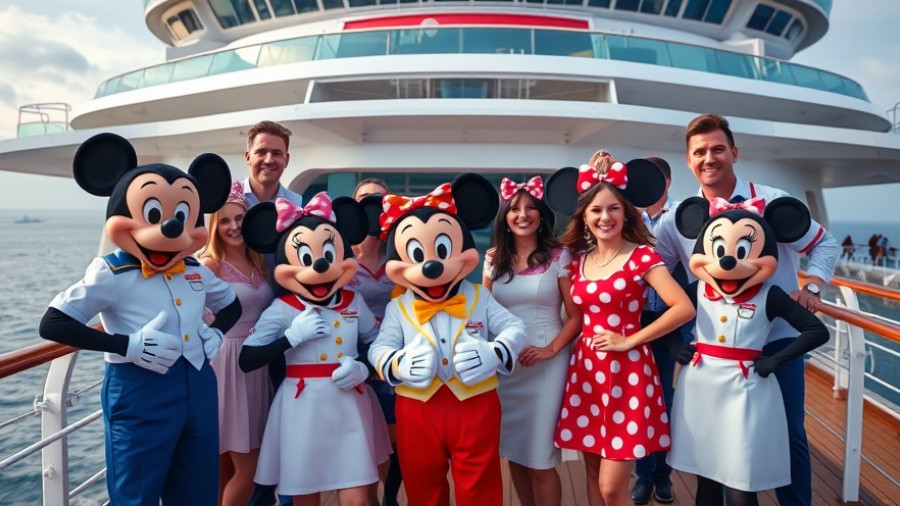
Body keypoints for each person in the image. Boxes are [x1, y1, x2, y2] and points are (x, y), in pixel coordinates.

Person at [39, 133, 240, 505]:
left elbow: (231, 306)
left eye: (181, 216)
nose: (170, 228)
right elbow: (53, 323)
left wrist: (216, 332)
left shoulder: (194, 269)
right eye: (154, 214)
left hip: (198, 383)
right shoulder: (111, 272)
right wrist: (125, 345)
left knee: (198, 490)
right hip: (139, 388)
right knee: (137, 494)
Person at [653, 113, 839, 506]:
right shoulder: (676, 221)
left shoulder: (773, 203)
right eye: (699, 152)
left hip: (777, 342)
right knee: (713, 440)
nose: (709, 158)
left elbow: (825, 244)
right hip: (714, 352)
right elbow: (653, 270)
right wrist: (673, 340)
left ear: (734, 153)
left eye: (718, 149)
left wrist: (814, 286)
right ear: (688, 160)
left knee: (789, 433)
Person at [544, 154, 695, 506]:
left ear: (626, 212)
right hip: (586, 372)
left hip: (627, 373)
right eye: (595, 210)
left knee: (612, 487)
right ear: (583, 216)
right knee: (593, 473)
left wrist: (631, 339)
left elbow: (683, 308)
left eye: (613, 208)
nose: (605, 217)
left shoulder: (642, 255)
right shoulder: (578, 259)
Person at [667, 196, 829, 506]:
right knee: (706, 477)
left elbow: (816, 331)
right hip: (700, 385)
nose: (728, 261)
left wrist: (776, 360)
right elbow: (666, 318)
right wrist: (676, 345)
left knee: (742, 480)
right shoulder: (697, 290)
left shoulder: (771, 294)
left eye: (741, 251)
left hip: (745, 390)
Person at [239, 192, 391, 506]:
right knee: (306, 496)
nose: (320, 266)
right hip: (302, 407)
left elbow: (377, 342)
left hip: (350, 402)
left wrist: (365, 365)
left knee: (359, 496)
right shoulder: (282, 309)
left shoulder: (354, 301)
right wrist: (290, 339)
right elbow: (247, 358)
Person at [482, 176, 581, 506]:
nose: (522, 214)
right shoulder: (493, 258)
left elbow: (576, 316)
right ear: (505, 218)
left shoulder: (559, 256)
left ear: (541, 214)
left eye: (530, 208)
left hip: (546, 366)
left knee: (540, 460)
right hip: (506, 370)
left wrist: (550, 349)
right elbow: (482, 312)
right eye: (514, 209)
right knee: (514, 454)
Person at [199, 182, 274, 506]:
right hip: (225, 362)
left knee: (231, 462)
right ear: (215, 227)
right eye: (225, 221)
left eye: (240, 218)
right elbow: (191, 314)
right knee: (242, 462)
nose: (234, 226)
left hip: (256, 364)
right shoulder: (210, 265)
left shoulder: (259, 262)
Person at [240, 120, 302, 506]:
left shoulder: (298, 205)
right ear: (248, 155)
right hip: (238, 328)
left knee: (285, 418)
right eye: (261, 151)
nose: (268, 159)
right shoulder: (226, 204)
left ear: (287, 158)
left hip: (286, 325)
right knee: (242, 429)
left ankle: (287, 496)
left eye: (276, 153)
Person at [630, 157, 693, 505]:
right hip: (637, 321)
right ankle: (643, 476)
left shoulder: (683, 214)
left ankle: (663, 475)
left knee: (667, 403)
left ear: (666, 181)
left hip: (672, 323)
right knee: (640, 401)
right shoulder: (628, 218)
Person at [348, 177, 404, 506]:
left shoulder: (401, 255)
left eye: (379, 200)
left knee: (395, 439)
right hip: (354, 356)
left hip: (395, 356)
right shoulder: (341, 258)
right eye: (364, 199)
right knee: (362, 437)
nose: (371, 205)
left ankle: (391, 498)